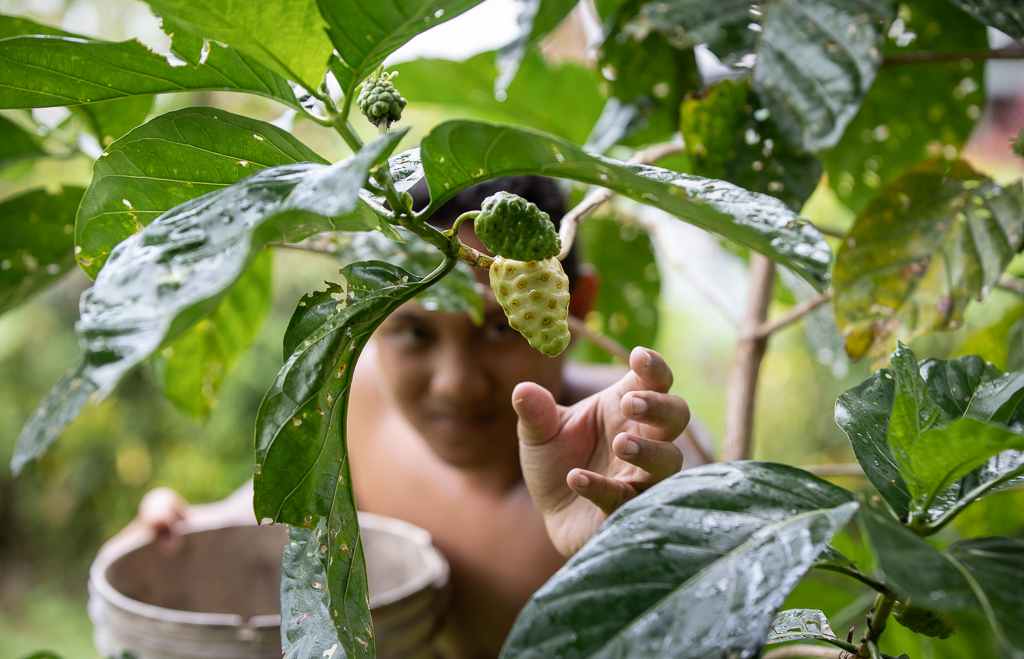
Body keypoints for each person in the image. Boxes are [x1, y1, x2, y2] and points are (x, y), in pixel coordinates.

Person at [104, 176, 706, 658]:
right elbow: (295, 515)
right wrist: (187, 527)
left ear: (575, 304)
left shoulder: (637, 453)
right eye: (415, 332)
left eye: (499, 327)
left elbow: (760, 628)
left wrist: (643, 547)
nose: (455, 382)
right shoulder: (361, 402)